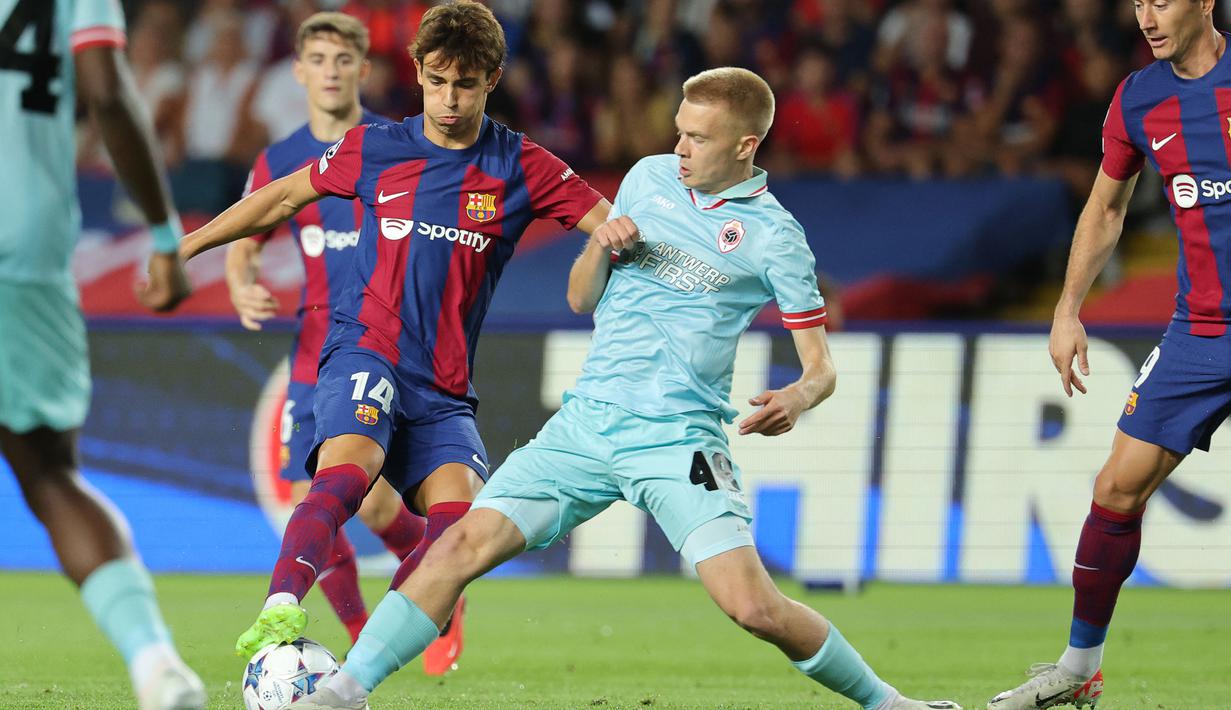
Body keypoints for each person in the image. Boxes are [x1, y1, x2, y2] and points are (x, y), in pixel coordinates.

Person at [296, 67, 962, 710]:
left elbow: (821, 367)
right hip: (584, 425)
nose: (678, 148)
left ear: (744, 145)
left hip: (677, 441)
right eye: (678, 130)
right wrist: (599, 247)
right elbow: (581, 298)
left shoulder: (774, 237)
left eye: (697, 138)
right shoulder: (647, 179)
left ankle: (889, 702)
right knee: (458, 547)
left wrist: (795, 396)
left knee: (753, 608)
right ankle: (339, 695)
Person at [177, 0, 608, 665]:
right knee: (347, 477)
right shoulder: (376, 148)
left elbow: (615, 227)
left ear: (492, 78)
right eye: (436, 81)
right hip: (363, 349)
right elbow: (282, 197)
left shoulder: (523, 167)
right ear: (419, 74)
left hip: (444, 386)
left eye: (464, 83)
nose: (448, 98)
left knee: (454, 538)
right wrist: (188, 247)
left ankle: (365, 663)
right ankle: (281, 604)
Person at [988, 1, 1228, 707]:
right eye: (1138, 1)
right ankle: (1078, 667)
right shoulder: (1137, 98)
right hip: (1200, 334)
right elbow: (1104, 207)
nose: (1146, 15)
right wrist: (1066, 309)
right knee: (1114, 491)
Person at [226, 10, 453, 669]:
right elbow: (248, 237)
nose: (330, 72)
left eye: (342, 60)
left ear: (363, 69)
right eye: (317, 61)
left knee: (378, 505)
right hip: (313, 351)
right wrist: (242, 282)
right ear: (298, 72)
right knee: (313, 504)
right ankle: (363, 636)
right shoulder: (279, 159)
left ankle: (430, 571)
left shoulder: (396, 145)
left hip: (387, 349)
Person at [0, 1, 203, 709]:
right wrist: (165, 237)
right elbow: (108, 92)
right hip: (23, 239)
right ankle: (155, 663)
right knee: (51, 475)